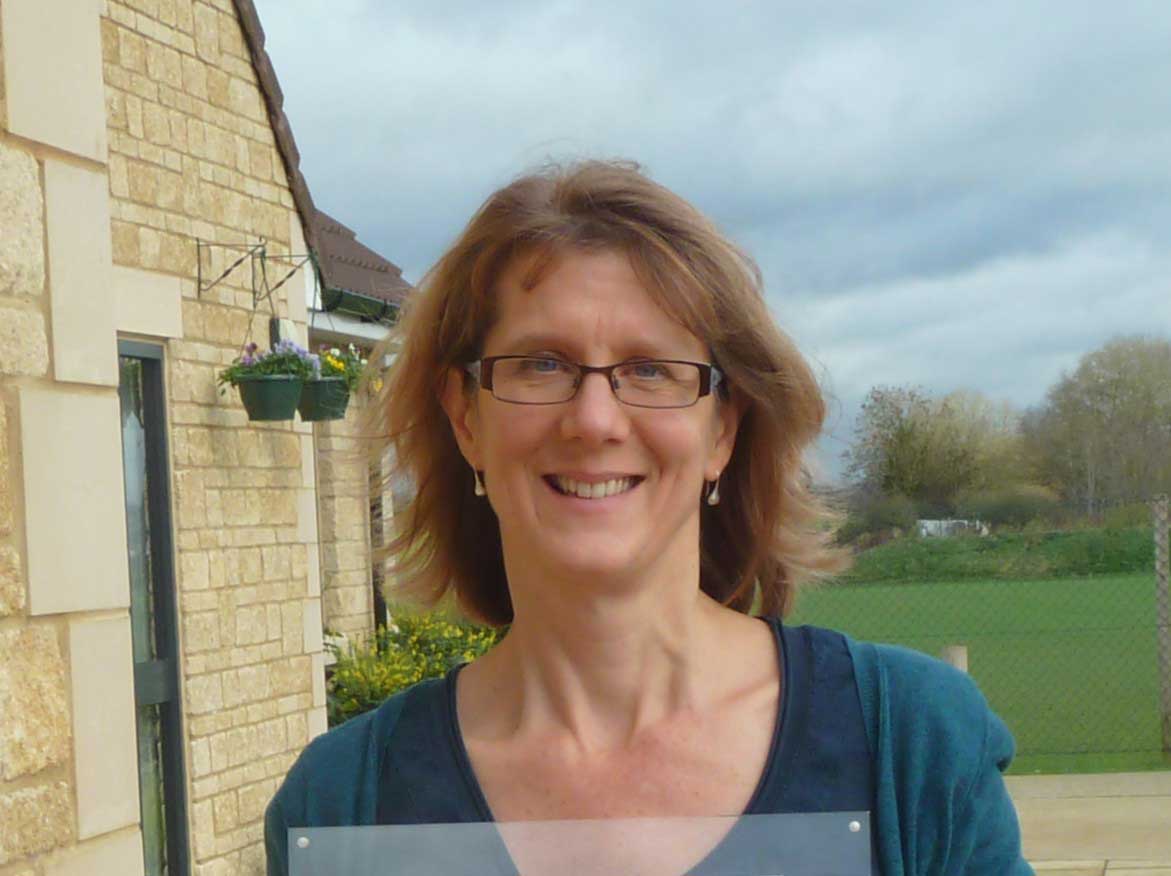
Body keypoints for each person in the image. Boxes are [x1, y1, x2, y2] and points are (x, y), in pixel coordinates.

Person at [265, 160, 1033, 875]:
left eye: (650, 370)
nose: (594, 419)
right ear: (466, 416)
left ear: (722, 429)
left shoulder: (910, 743)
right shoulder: (341, 800)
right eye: (541, 364)